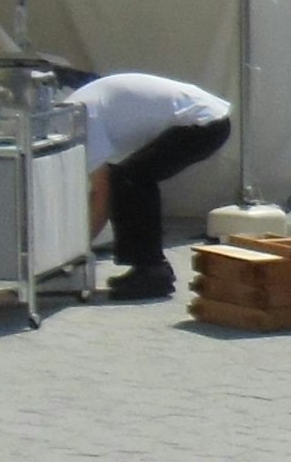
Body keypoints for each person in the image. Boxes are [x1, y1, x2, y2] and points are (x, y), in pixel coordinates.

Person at [75, 71, 231, 302]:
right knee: (129, 176)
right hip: (206, 117)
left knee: (131, 179)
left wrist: (75, 252)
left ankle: (151, 272)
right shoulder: (78, 109)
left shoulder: (82, 118)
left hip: (204, 123)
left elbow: (101, 193)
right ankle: (149, 268)